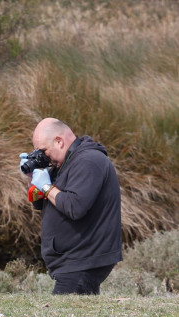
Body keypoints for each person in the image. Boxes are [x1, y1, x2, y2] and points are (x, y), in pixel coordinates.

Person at [19, 118, 122, 295]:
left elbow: (75, 207)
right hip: (74, 260)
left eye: (43, 150)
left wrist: (46, 186)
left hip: (84, 260)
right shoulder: (63, 163)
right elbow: (40, 202)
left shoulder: (89, 161)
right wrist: (32, 178)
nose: (42, 156)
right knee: (78, 316)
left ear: (59, 141)